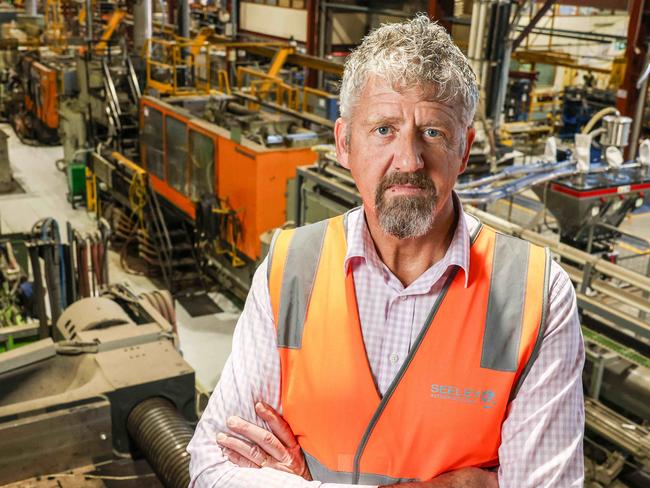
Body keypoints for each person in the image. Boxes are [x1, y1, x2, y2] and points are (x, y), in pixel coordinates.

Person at [188, 14, 584, 488]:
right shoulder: (290, 267)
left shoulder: (537, 295)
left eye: (433, 133)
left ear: (465, 150)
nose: (409, 160)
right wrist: (466, 483)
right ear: (343, 143)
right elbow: (211, 467)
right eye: (383, 129)